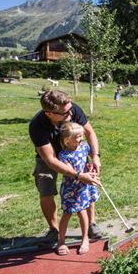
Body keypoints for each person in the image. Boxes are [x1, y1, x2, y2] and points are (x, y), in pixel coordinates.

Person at [28, 90, 103, 247]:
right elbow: (50, 159)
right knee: (46, 191)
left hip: (75, 153)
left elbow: (90, 132)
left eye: (70, 109)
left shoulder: (72, 109)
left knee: (87, 187)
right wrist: (77, 175)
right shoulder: (37, 126)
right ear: (49, 113)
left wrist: (95, 155)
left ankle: (92, 224)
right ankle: (54, 230)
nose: (70, 113)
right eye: (64, 113)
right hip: (50, 159)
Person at [56, 122, 100, 255]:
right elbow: (70, 172)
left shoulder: (84, 147)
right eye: (78, 137)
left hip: (84, 187)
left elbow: (88, 161)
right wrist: (83, 175)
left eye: (81, 136)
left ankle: (85, 238)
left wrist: (91, 167)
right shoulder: (64, 156)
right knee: (67, 214)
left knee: (82, 212)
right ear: (67, 140)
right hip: (71, 188)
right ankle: (61, 241)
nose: (81, 139)